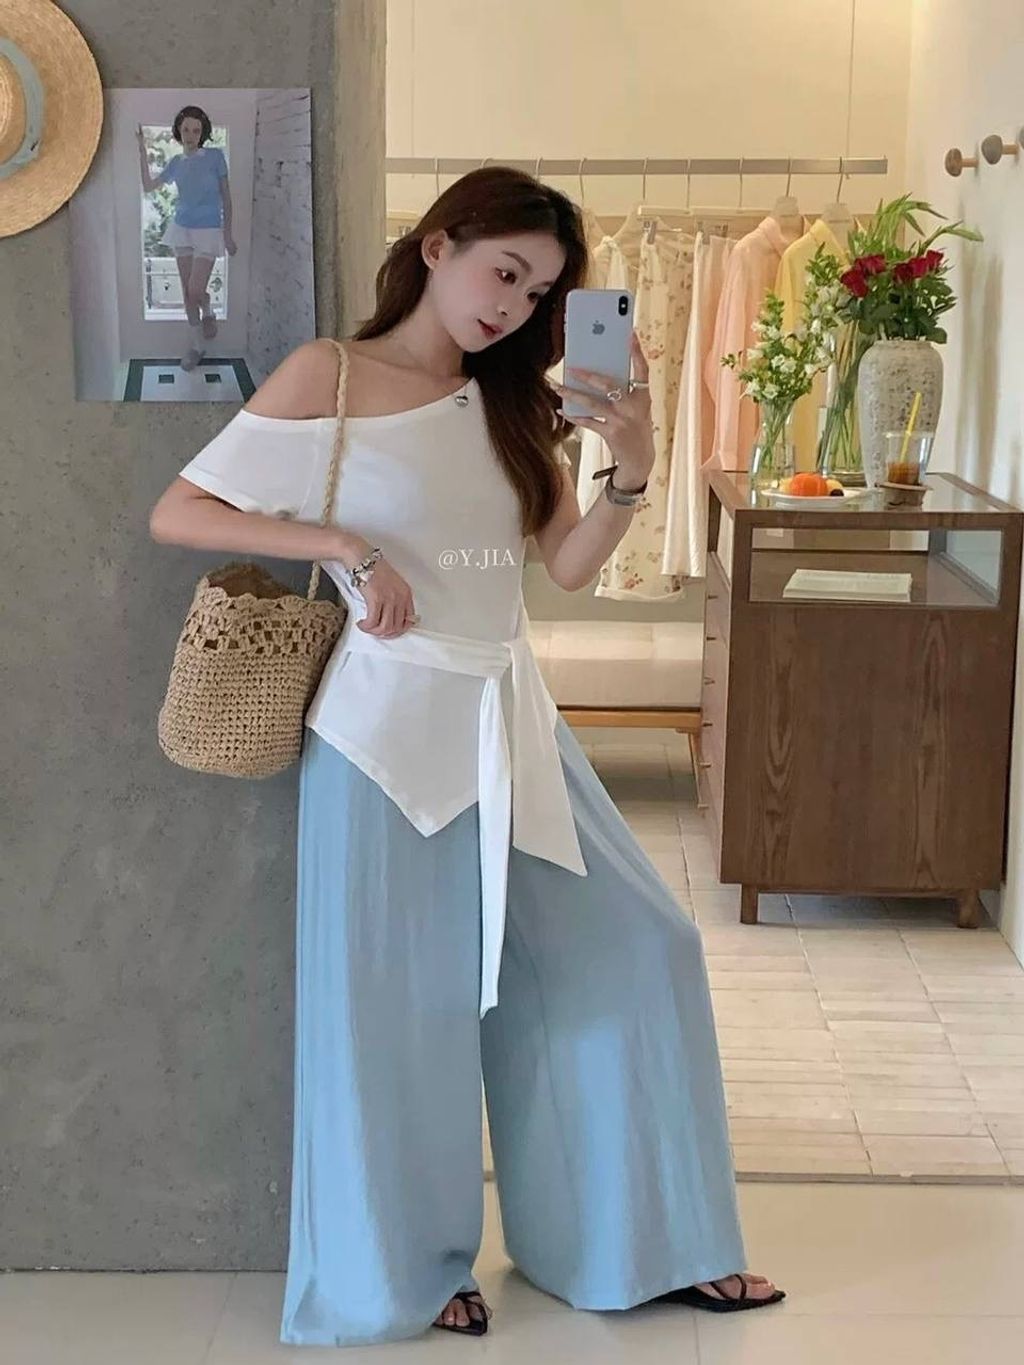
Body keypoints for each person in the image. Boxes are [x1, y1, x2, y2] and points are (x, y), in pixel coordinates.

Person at [149, 165, 784, 1347]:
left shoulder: (513, 402)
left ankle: (637, 1242)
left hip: (510, 720)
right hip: (382, 733)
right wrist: (342, 546)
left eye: (539, 293)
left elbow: (567, 567)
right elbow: (180, 510)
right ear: (437, 246)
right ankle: (409, 1269)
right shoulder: (330, 375)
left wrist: (633, 463)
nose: (513, 306)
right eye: (505, 272)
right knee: (397, 1012)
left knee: (638, 949)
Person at [137, 104, 237, 372]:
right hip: (182, 229)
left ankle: (208, 308)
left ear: (203, 133)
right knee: (186, 295)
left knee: (195, 291)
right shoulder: (176, 163)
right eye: (186, 130)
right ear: (179, 132)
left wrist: (228, 235)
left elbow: (227, 198)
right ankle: (196, 347)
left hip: (209, 230)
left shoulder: (215, 157)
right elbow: (148, 186)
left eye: (196, 130)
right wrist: (142, 151)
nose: (191, 135)